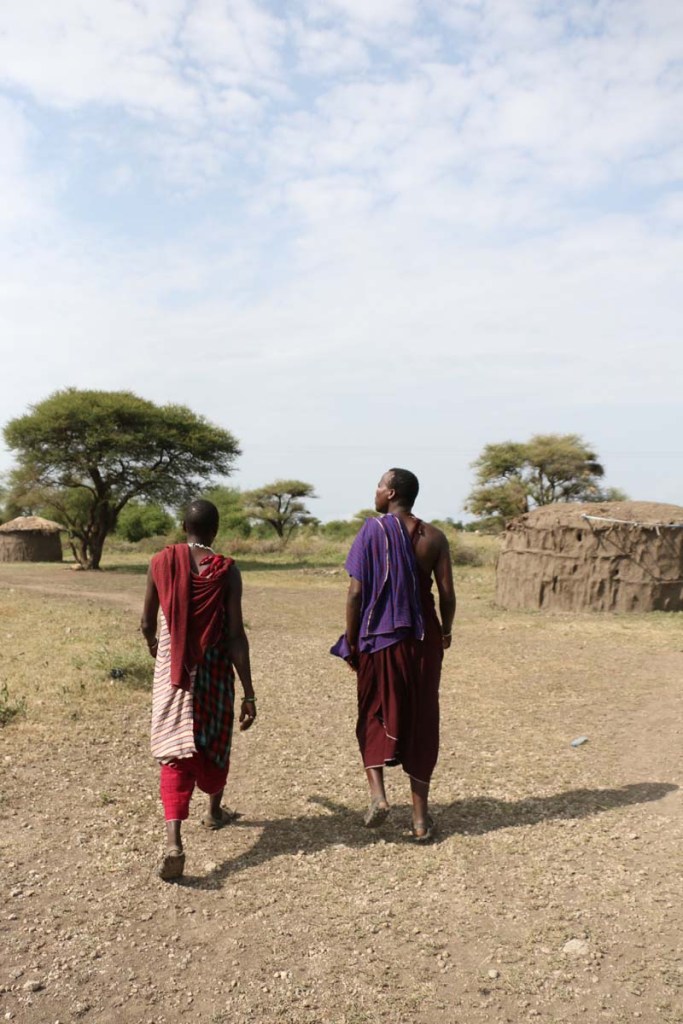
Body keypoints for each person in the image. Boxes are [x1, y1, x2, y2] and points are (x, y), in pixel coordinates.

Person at [331, 469, 456, 841]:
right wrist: (445, 631)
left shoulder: (372, 532)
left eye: (379, 485)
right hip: (423, 639)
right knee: (421, 717)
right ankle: (420, 821)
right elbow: (447, 594)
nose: (376, 491)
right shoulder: (434, 537)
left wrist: (352, 642)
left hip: (379, 638)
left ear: (392, 493)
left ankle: (379, 796)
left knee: (373, 709)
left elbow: (356, 594)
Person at [140, 499, 256, 880]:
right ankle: (212, 811)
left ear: (182, 525)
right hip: (215, 668)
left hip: (173, 668)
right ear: (215, 530)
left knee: (174, 747)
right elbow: (236, 634)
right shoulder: (225, 570)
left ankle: (174, 840)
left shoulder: (160, 562)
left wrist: (160, 650)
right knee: (214, 737)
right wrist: (249, 692)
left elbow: (145, 623)